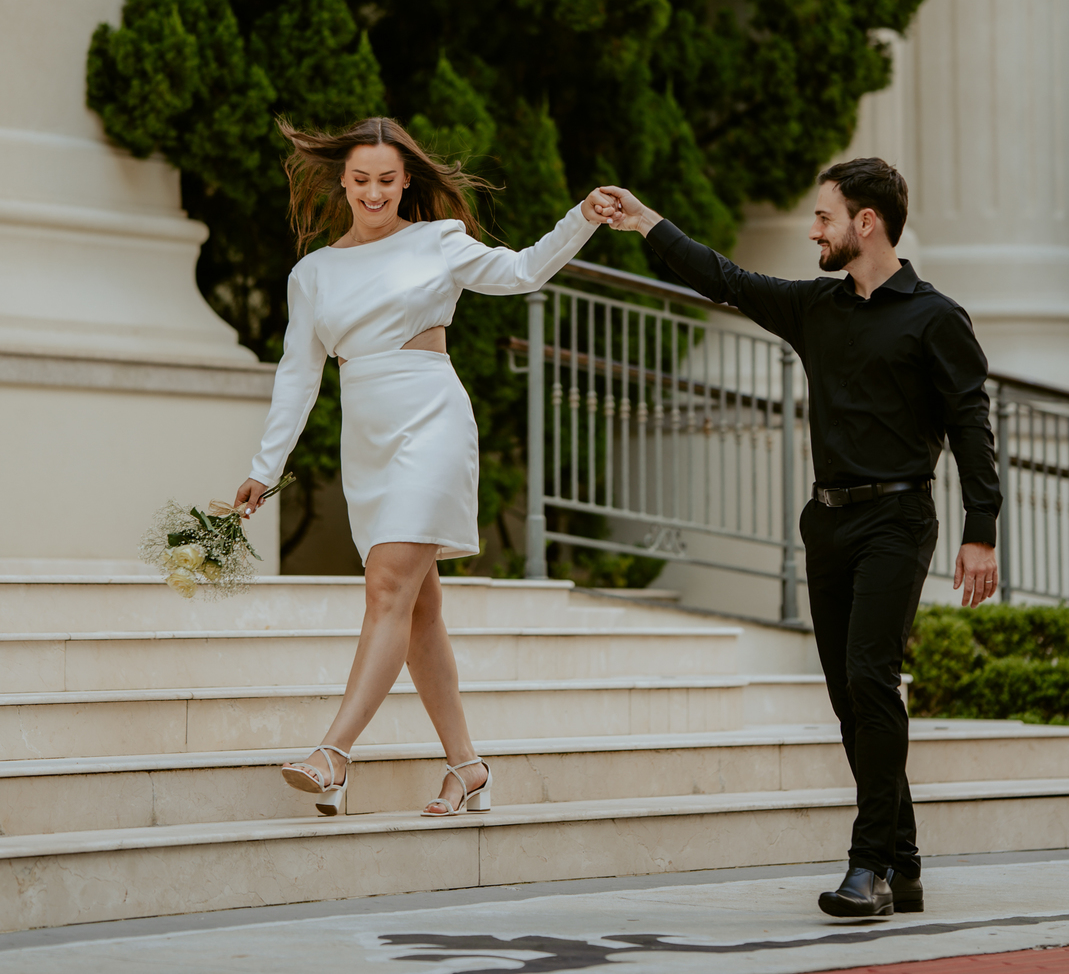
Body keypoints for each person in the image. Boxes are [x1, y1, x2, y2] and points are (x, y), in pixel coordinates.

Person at [601, 159, 1000, 919]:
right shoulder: (816, 306)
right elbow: (725, 278)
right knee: (852, 697)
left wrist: (981, 529)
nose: (814, 230)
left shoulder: (936, 317)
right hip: (828, 520)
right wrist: (648, 222)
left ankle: (870, 866)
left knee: (871, 678)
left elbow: (970, 423)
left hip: (898, 516)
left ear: (866, 223)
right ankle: (906, 862)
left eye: (824, 217)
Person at [236, 116, 617, 817]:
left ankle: (334, 754)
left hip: (432, 419)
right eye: (360, 181)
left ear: (407, 179)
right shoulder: (313, 273)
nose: (374, 193)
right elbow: (298, 375)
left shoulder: (438, 240)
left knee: (387, 587)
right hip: (367, 437)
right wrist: (266, 467)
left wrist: (581, 217)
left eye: (387, 179)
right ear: (342, 183)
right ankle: (467, 768)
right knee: (420, 611)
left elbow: (525, 270)